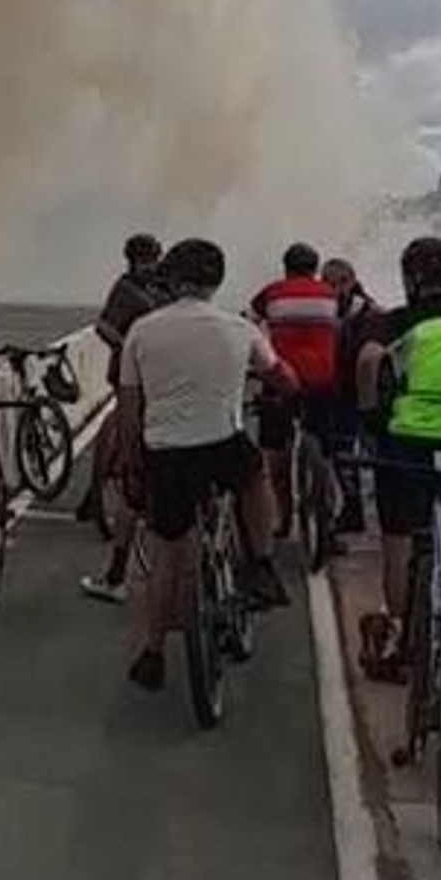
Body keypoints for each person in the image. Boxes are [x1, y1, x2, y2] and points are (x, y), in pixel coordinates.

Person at [116, 238, 297, 692]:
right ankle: (260, 563)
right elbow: (284, 378)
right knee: (254, 477)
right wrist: (281, 385)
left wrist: (133, 466)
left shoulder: (142, 330)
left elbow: (128, 411)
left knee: (167, 555)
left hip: (167, 453)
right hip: (220, 445)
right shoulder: (241, 328)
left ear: (174, 280)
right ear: (216, 282)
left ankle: (153, 653)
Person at [356, 236, 441, 681]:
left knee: (397, 536)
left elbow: (367, 360)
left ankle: (399, 630)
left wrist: (369, 414)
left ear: (411, 278)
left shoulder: (395, 320)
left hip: (403, 439)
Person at [79, 234, 167, 604]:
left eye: (152, 257)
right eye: (142, 258)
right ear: (131, 260)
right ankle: (98, 488)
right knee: (126, 429)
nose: (148, 264)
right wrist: (127, 347)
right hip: (130, 372)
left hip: (162, 373)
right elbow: (104, 327)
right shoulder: (125, 289)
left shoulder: (164, 286)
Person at [250, 242, 343, 542]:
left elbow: (252, 322)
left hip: (280, 380)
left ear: (286, 268)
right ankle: (327, 516)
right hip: (323, 382)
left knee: (274, 453)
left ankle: (284, 517)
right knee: (326, 452)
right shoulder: (331, 295)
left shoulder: (272, 293)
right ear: (315, 270)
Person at [321, 257, 380, 535]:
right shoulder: (323, 311)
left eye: (340, 282)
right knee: (342, 452)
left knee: (369, 449)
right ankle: (352, 507)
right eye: (328, 283)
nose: (335, 289)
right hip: (338, 390)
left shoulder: (369, 311)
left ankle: (370, 507)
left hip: (363, 392)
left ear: (353, 280)